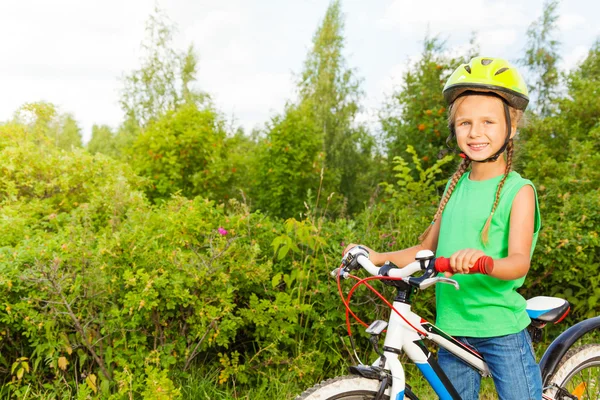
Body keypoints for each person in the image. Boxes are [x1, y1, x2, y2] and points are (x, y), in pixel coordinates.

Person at [343, 57, 542, 399]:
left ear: (513, 125)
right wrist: (375, 255)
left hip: (501, 329)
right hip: (451, 329)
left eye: (488, 122)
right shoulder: (455, 186)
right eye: (465, 122)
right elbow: (426, 252)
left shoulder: (517, 191)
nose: (475, 132)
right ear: (454, 128)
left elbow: (518, 263)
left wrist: (483, 261)